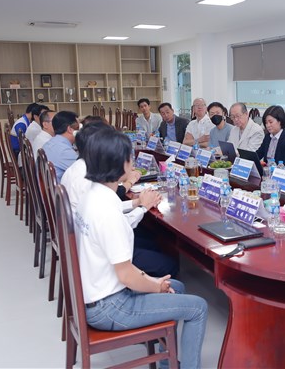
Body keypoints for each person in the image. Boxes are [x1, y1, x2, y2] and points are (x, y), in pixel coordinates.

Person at [75, 127, 207, 368]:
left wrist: (155, 283)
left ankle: (168, 364)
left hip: (96, 294)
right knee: (198, 307)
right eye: (129, 157)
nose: (132, 161)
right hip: (111, 305)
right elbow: (126, 275)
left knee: (176, 287)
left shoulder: (93, 196)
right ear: (119, 164)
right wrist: (155, 286)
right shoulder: (107, 213)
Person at [61, 121, 178, 277]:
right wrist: (142, 207)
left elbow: (110, 209)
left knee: (152, 240)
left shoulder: (88, 178)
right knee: (168, 262)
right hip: (103, 262)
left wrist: (137, 203)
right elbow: (115, 224)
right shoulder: (85, 180)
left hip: (88, 246)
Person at [41, 111, 79, 182]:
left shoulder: (51, 143)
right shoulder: (63, 151)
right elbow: (86, 171)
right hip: (60, 188)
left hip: (49, 186)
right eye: (77, 128)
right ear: (70, 129)